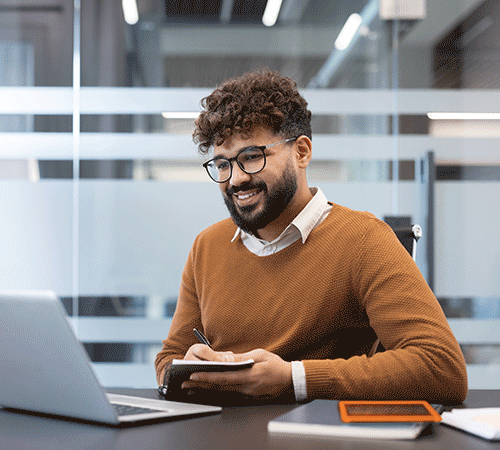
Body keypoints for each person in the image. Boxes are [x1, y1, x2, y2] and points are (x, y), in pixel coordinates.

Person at [154, 70, 468, 404]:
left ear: (302, 152)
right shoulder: (207, 246)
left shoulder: (363, 239)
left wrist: (292, 379)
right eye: (222, 164)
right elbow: (168, 357)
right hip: (219, 433)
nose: (234, 180)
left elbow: (441, 367)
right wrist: (189, 367)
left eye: (251, 157)